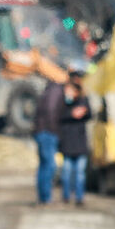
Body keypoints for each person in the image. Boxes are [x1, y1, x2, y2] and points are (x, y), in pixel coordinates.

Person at [58, 77, 91, 206]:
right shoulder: (63, 103)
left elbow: (89, 115)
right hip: (67, 144)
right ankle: (66, 196)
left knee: (79, 174)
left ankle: (79, 197)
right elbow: (59, 116)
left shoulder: (83, 101)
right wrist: (71, 114)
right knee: (66, 173)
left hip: (80, 145)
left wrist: (83, 111)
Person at [33, 76, 65, 204]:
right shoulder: (56, 91)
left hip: (41, 131)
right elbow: (51, 111)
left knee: (43, 165)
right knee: (50, 165)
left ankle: (42, 196)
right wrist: (55, 130)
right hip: (48, 132)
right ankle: (45, 197)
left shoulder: (48, 90)